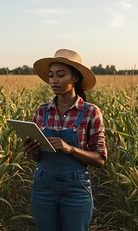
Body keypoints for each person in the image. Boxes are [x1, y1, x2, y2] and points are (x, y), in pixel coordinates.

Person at [23, 49, 107, 231]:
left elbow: (100, 159)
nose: (53, 80)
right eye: (51, 75)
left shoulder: (91, 112)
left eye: (60, 75)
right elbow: (38, 158)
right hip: (43, 185)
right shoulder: (41, 111)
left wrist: (70, 149)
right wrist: (33, 151)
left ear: (75, 78)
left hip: (76, 188)